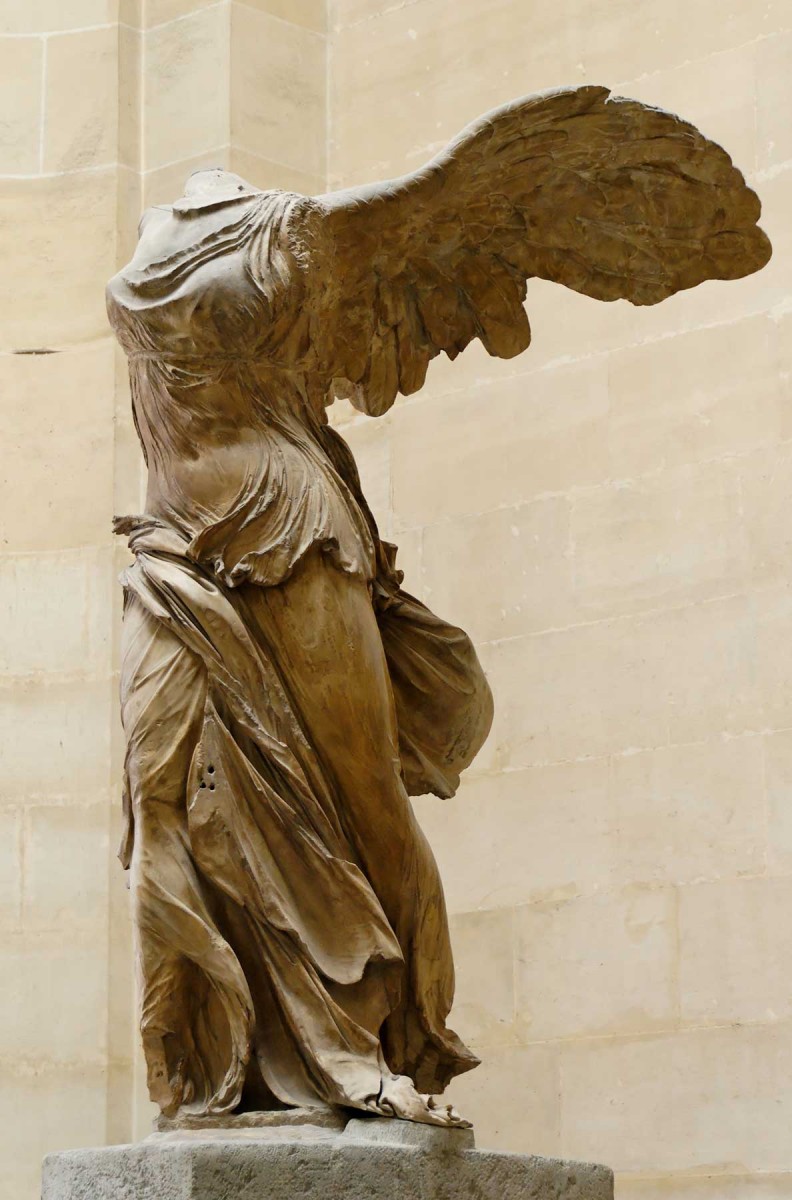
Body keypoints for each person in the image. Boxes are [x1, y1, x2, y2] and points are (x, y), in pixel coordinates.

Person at [107, 84, 769, 1126]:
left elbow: (478, 192)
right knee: (161, 805)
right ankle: (207, 1066)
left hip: (291, 530)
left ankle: (395, 1038)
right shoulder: (157, 233)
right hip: (169, 549)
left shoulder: (310, 234)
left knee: (364, 791)